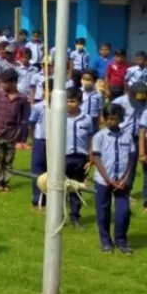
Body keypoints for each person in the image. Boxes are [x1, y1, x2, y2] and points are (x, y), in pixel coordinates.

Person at [92, 103, 136, 254]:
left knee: (123, 212)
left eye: (114, 119)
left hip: (122, 181)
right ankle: (106, 241)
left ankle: (121, 240)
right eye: (108, 119)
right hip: (103, 180)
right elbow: (96, 158)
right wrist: (108, 178)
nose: (111, 122)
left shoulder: (127, 136)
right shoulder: (100, 136)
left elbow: (131, 158)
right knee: (103, 212)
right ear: (104, 119)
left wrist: (125, 178)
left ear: (121, 119)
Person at [0, 68, 30, 193]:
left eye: (5, 82)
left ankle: (5, 182)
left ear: (13, 82)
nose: (2, 85)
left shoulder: (21, 99)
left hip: (12, 134)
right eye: (1, 82)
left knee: (8, 159)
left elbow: (24, 118)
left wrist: (20, 136)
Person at [62, 87, 94, 229]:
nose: (69, 104)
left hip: (80, 158)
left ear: (80, 102)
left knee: (76, 188)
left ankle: (75, 216)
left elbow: (90, 138)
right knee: (60, 188)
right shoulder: (60, 117)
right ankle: (57, 217)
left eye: (73, 101)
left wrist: (90, 156)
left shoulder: (86, 119)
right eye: (67, 101)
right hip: (63, 157)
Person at [28, 88, 48, 211]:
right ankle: (37, 200)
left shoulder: (62, 107)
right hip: (40, 141)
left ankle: (50, 200)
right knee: (38, 171)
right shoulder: (38, 107)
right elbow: (31, 123)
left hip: (56, 142)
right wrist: (33, 139)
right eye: (48, 90)